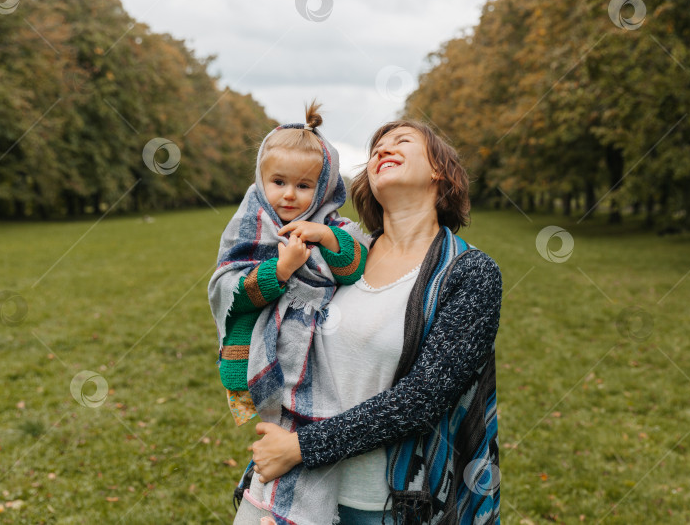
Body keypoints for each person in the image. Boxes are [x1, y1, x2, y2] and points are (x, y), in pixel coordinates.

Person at [245, 120, 503, 524]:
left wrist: (301, 447)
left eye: (401, 142)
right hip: (290, 491)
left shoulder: (470, 273)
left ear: (440, 170)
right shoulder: (337, 256)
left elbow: (424, 399)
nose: (383, 149)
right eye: (376, 148)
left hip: (383, 505)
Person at [208, 102, 370, 525]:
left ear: (324, 189)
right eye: (278, 182)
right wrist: (279, 270)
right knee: (280, 432)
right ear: (261, 181)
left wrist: (325, 238)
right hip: (271, 353)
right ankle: (272, 505)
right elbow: (229, 290)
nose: (289, 195)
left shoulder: (335, 227)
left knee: (311, 434)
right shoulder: (250, 226)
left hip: (324, 358)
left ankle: (299, 512)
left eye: (303, 186)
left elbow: (354, 267)